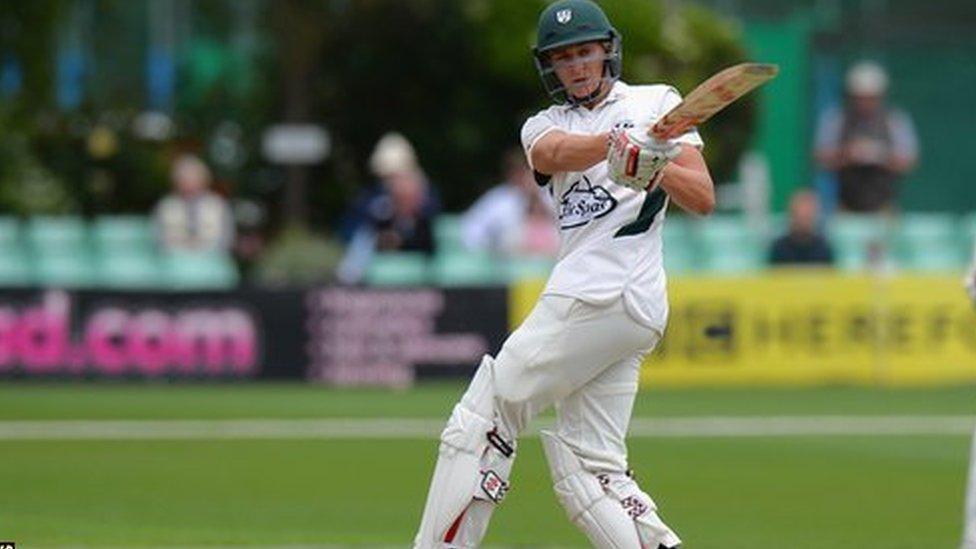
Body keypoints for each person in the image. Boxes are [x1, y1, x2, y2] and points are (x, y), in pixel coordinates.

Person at [413, 1, 714, 547]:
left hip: (601, 293)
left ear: (606, 51)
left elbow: (703, 197)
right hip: (622, 311)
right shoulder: (545, 124)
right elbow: (553, 154)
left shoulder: (658, 102)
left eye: (584, 52)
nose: (575, 66)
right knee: (589, 469)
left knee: (484, 416)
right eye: (563, 57)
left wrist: (658, 165)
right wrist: (621, 144)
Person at [814, 61, 919, 213]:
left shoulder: (895, 121)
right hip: (845, 206)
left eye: (870, 98)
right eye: (859, 98)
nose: (864, 104)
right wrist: (847, 154)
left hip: (885, 206)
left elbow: (910, 161)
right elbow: (820, 158)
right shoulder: (836, 120)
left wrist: (881, 156)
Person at [336, 133, 438, 283]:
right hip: (376, 254)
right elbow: (349, 229)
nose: (392, 183)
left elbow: (427, 236)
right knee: (364, 238)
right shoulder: (372, 197)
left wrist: (401, 238)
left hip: (415, 254)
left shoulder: (425, 196)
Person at [461, 148, 557, 256]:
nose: (522, 176)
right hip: (507, 260)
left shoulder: (550, 195)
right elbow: (473, 231)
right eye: (516, 171)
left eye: (526, 170)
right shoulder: (497, 199)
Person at [153, 154, 234, 252]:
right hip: (175, 260)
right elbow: (158, 239)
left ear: (203, 179)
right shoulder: (166, 206)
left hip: (210, 259)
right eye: (183, 178)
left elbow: (226, 239)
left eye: (192, 177)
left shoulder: (218, 205)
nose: (187, 183)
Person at [769, 189, 834, 266]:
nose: (804, 220)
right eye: (801, 216)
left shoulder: (823, 248)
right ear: (792, 214)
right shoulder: (779, 248)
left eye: (807, 216)